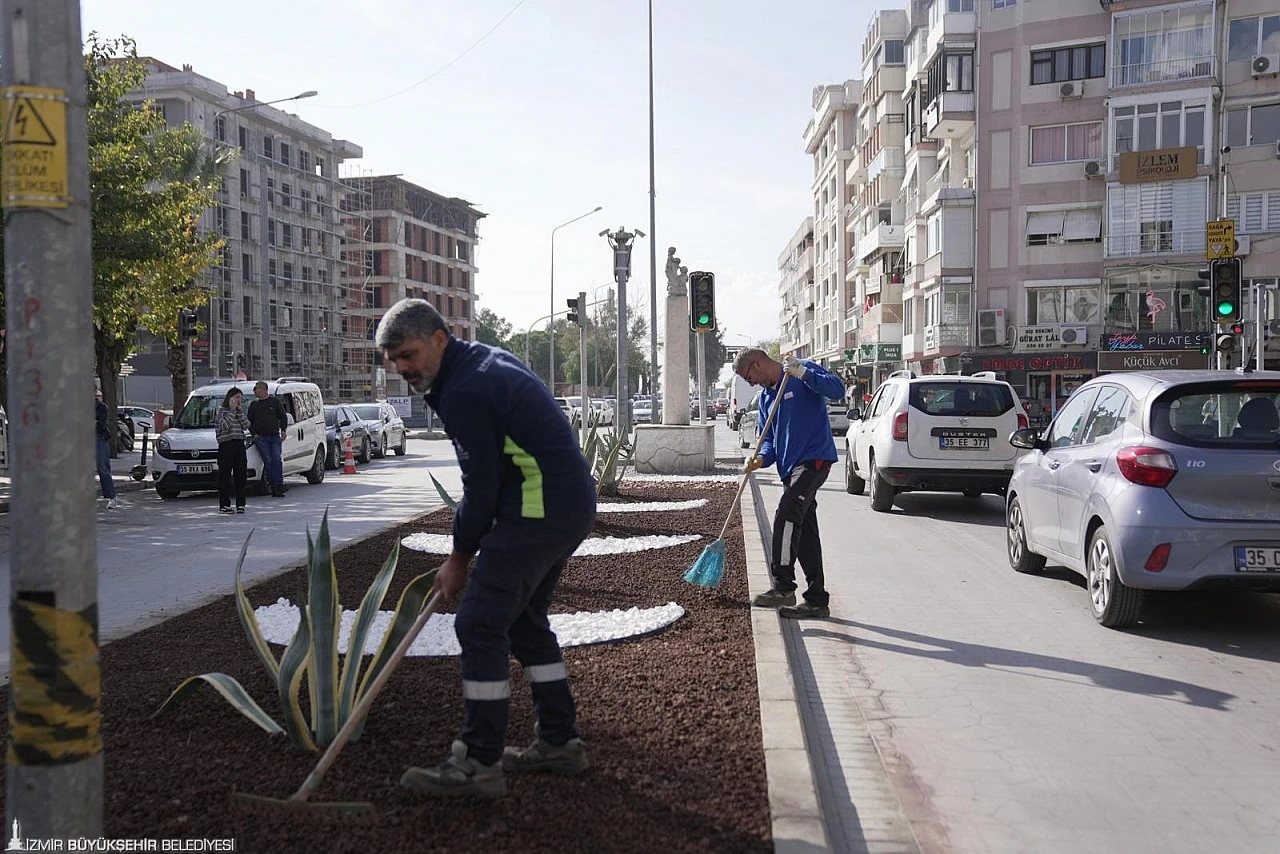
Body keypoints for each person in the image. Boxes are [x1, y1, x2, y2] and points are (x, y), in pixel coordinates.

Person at [377, 298, 596, 799]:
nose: (403, 368)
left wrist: (459, 557)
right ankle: (560, 742)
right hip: (565, 504)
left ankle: (479, 763)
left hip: (539, 509)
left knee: (478, 623)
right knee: (523, 622)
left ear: (438, 338)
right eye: (394, 361)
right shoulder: (477, 362)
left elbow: (481, 487)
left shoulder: (467, 389)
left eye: (408, 354)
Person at [734, 348, 844, 619]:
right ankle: (817, 600)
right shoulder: (766, 398)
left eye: (749, 376)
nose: (750, 383)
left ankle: (782, 586)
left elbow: (837, 390)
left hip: (813, 460)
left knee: (786, 514)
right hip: (789, 468)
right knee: (805, 533)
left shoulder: (800, 370)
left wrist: (805, 374)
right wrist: (759, 459)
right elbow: (768, 439)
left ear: (758, 364)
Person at [247, 381, 288, 497]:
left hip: (274, 436)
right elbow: (249, 421)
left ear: (265, 390)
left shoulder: (274, 402)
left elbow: (283, 417)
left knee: (276, 459)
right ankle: (273, 486)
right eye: (255, 388)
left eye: (257, 388)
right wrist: (254, 434)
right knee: (268, 461)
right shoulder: (254, 405)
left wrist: (283, 430)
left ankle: (279, 484)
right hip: (261, 438)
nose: (255, 390)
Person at [215, 387, 250, 514]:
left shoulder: (239, 411)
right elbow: (224, 426)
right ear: (230, 398)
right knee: (225, 475)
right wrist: (231, 410)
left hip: (239, 443)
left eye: (240, 398)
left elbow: (246, 425)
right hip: (226, 444)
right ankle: (224, 504)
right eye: (236, 397)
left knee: (240, 474)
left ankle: (241, 503)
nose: (239, 400)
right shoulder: (222, 411)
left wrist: (239, 411)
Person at [94, 390, 118, 510]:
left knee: (103, 468)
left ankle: (111, 497)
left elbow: (100, 424)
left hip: (99, 438)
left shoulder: (101, 407)